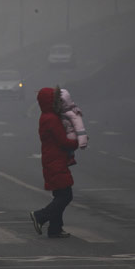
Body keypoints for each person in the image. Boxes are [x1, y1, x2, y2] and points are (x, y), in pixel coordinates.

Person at [30, 87, 78, 238]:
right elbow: (63, 141)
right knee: (65, 195)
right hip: (55, 160)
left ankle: (55, 228)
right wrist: (75, 141)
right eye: (56, 99)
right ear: (50, 102)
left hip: (54, 159)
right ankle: (41, 216)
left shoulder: (48, 116)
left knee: (59, 194)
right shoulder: (51, 119)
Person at [58, 88, 88, 166]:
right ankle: (69, 157)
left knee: (67, 143)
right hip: (67, 132)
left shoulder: (71, 113)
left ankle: (71, 158)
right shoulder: (62, 112)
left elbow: (80, 127)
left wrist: (82, 142)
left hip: (71, 133)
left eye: (60, 101)